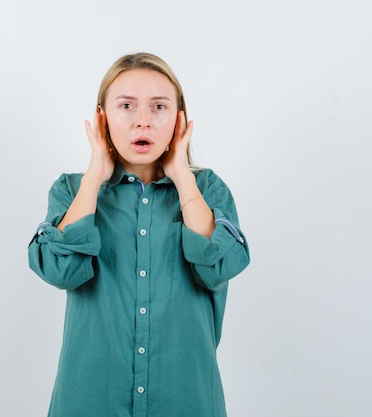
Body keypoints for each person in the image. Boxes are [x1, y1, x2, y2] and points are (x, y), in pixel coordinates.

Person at [28, 52, 250, 417]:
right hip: (89, 401)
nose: (143, 121)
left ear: (179, 120)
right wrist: (95, 174)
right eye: (126, 106)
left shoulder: (207, 190)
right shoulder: (71, 191)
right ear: (103, 118)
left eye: (159, 107)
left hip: (186, 400)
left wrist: (181, 174)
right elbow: (57, 269)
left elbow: (219, 265)